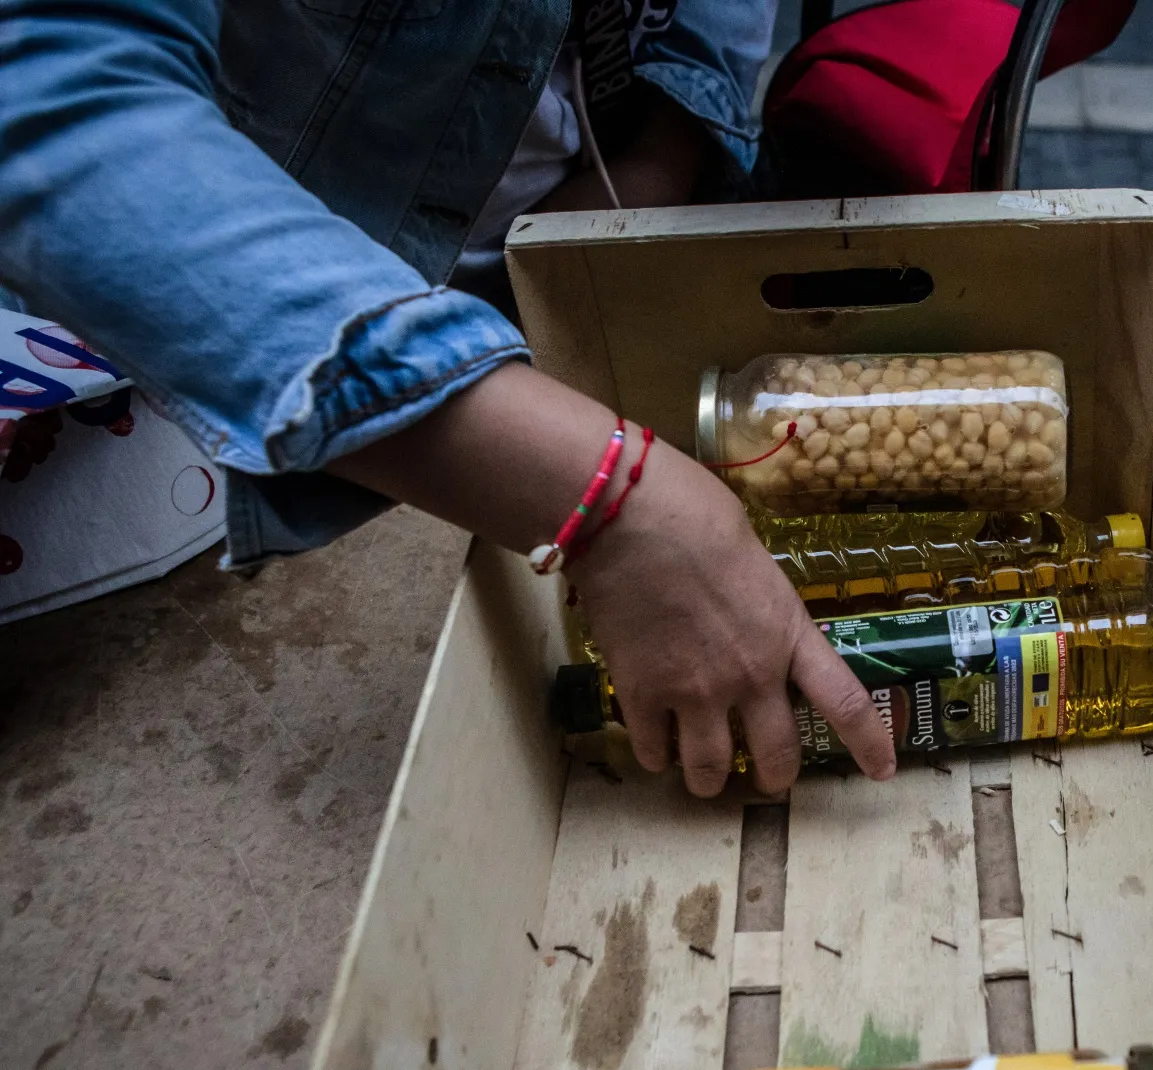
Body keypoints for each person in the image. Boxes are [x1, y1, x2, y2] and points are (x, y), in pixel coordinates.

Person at [0, 0, 899, 796]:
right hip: (194, 405)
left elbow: (708, 34)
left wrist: (657, 160)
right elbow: (50, 100)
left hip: (541, 316)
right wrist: (609, 500)